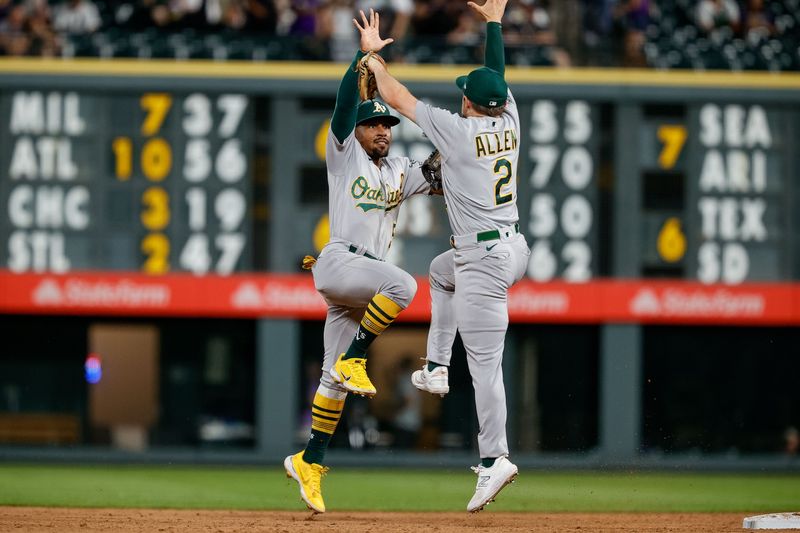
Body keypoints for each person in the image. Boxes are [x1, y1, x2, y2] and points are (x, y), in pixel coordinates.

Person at [361, 0, 530, 512]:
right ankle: (436, 366)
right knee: (439, 272)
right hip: (512, 249)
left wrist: (371, 59)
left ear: (472, 105)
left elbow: (398, 97)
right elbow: (494, 77)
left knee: (486, 367)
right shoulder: (511, 115)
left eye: (465, 95)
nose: (460, 98)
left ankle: (494, 458)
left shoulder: (459, 132)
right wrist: (494, 25)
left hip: (484, 260)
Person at [283, 8, 439, 514]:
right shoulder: (343, 151)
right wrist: (365, 59)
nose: (383, 131)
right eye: (375, 125)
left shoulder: (398, 168)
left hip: (356, 283)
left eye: (387, 125)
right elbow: (345, 104)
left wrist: (466, 139)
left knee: (331, 382)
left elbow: (436, 172)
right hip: (339, 263)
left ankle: (310, 460)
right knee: (406, 287)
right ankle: (357, 356)